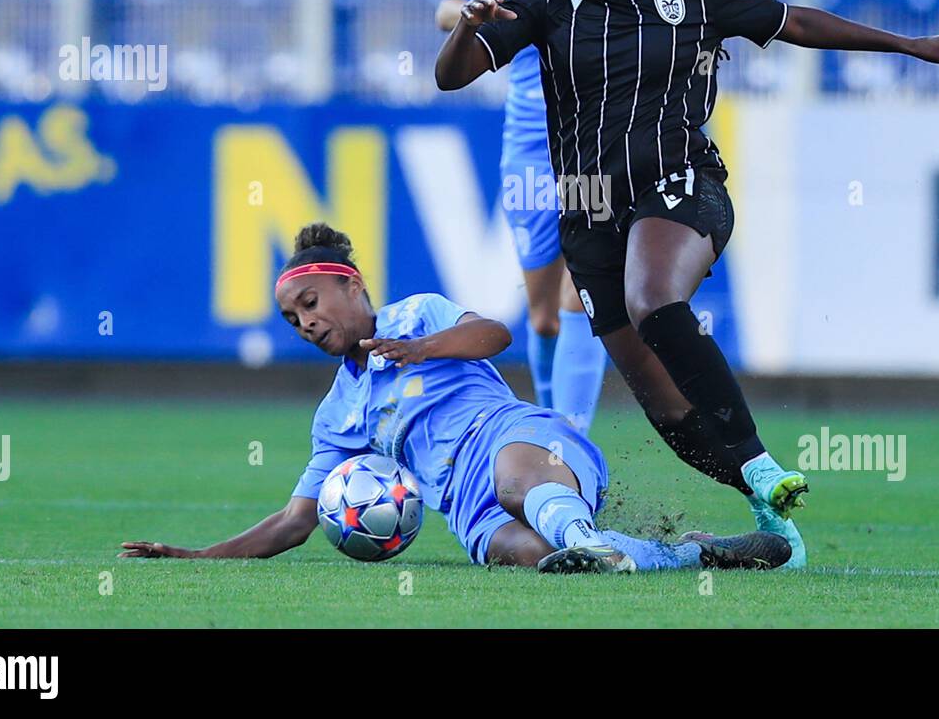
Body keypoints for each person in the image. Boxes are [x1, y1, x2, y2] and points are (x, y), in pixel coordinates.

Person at [434, 0, 939, 570]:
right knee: (669, 411)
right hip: (587, 210)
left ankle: (760, 465)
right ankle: (770, 518)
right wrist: (467, 27)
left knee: (654, 298)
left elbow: (796, 22)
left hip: (681, 185)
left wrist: (910, 46)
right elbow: (451, 75)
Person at [119, 222, 792, 574]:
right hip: (464, 506)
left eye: (311, 303)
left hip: (523, 439)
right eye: (293, 320)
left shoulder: (420, 315)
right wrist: (201, 556)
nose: (307, 323)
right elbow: (296, 520)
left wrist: (421, 350)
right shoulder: (339, 414)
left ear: (352, 285)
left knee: (515, 481)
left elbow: (497, 333)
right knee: (531, 558)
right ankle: (690, 553)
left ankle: (587, 538)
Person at [435, 0, 679, 436]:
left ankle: (563, 444)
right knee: (543, 311)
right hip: (531, 136)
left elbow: (685, 8)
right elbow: (447, 7)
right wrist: (476, 14)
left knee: (583, 294)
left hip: (608, 136)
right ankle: (550, 427)